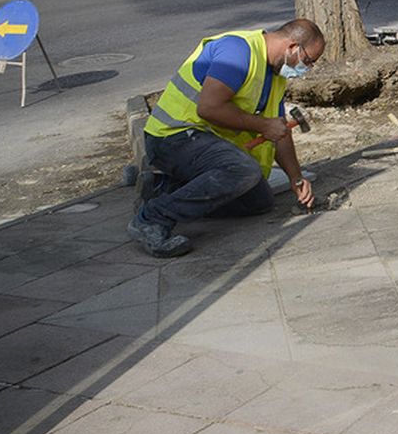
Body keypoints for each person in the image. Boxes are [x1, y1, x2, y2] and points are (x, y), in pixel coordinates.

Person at [129, 19, 322, 258]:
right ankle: (153, 218)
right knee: (243, 171)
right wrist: (262, 125)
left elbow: (279, 131)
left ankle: (162, 188)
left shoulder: (276, 76)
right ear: (292, 47)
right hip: (173, 136)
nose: (307, 68)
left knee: (259, 201)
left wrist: (296, 178)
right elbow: (208, 108)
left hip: (204, 143)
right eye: (308, 61)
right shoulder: (238, 52)